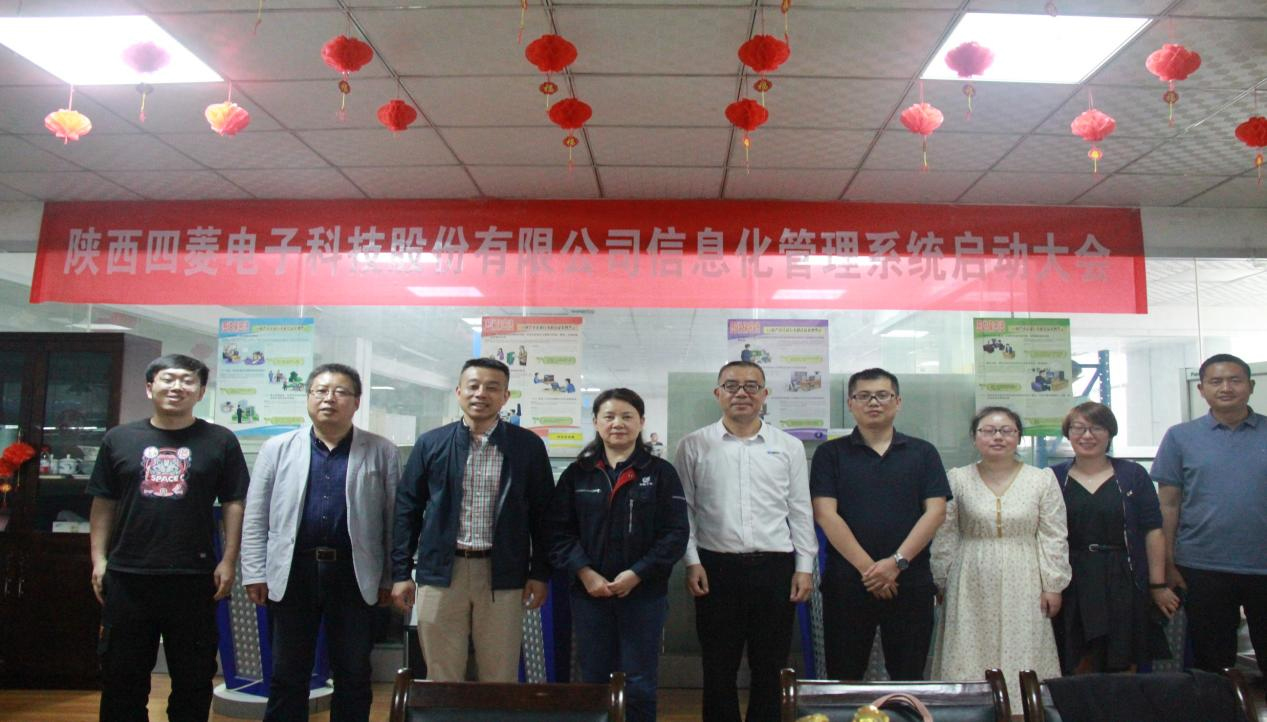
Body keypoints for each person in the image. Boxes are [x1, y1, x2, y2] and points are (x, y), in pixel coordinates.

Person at [87, 354, 250, 722]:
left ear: (201, 391)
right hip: (128, 575)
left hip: (194, 577)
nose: (177, 387)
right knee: (121, 678)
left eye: (188, 381)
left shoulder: (220, 440)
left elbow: (233, 503)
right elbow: (103, 502)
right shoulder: (119, 439)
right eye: (168, 379)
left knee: (193, 678)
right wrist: (99, 560)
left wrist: (228, 560)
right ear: (150, 388)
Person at [240, 363, 401, 721]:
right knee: (287, 672)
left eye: (340, 392)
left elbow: (393, 521)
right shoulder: (277, 448)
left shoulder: (382, 450)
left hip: (355, 573)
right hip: (293, 571)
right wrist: (254, 572)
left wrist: (390, 577)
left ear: (356, 402)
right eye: (321, 391)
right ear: (308, 397)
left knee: (354, 672)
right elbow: (256, 516)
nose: (329, 399)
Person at [390, 357, 554, 681]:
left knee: (500, 674)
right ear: (459, 392)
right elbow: (407, 509)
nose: (481, 394)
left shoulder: (527, 446)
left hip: (502, 573)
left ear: (505, 396)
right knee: (442, 673)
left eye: (492, 387)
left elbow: (544, 514)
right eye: (473, 386)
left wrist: (540, 572)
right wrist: (400, 572)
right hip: (441, 572)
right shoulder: (431, 443)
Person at [674, 361, 817, 722]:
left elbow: (800, 509)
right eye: (732, 385)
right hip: (715, 567)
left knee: (770, 664)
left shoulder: (788, 446)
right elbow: (683, 510)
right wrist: (692, 561)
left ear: (764, 394)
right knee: (717, 664)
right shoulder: (693, 445)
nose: (742, 393)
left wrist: (804, 566)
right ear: (718, 393)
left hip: (775, 567)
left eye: (751, 386)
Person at [546, 388, 689, 722]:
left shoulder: (661, 473)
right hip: (589, 595)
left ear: (641, 422)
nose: (618, 424)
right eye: (609, 416)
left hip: (644, 595)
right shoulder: (577, 475)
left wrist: (638, 573)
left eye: (627, 416)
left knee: (640, 682)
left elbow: (675, 533)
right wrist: (585, 573)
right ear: (596, 422)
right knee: (594, 680)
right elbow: (558, 532)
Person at [811, 368, 950, 680]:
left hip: (909, 582)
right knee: (844, 677)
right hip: (848, 583)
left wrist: (896, 563)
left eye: (882, 395)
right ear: (850, 403)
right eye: (863, 396)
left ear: (897, 401)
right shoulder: (830, 454)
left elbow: (936, 512)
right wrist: (871, 570)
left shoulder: (923, 453)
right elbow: (825, 514)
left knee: (908, 677)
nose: (873, 402)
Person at [932, 406, 1070, 702]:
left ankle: (1023, 711)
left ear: (1018, 437)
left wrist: (1053, 584)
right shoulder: (957, 479)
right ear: (974, 437)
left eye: (1006, 431)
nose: (998, 437)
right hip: (970, 574)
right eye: (989, 431)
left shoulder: (1041, 479)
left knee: (1024, 647)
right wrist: (942, 579)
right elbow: (946, 533)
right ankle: (969, 710)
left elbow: (1053, 535)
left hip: (1026, 574)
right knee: (969, 645)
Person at [1153, 353, 1267, 679]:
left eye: (1235, 380)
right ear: (1201, 389)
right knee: (1213, 662)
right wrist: (1168, 563)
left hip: (1263, 564)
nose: (1226, 388)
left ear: (1251, 386)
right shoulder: (1180, 437)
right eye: (1216, 381)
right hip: (1202, 565)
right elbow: (1168, 504)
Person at [1050, 402, 1179, 675]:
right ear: (1068, 433)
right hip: (1072, 578)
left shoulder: (1132, 475)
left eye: (1097, 428)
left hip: (1123, 576)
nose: (1087, 435)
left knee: (1122, 658)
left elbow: (1153, 530)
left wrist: (1157, 584)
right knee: (1075, 659)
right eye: (1078, 428)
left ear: (1110, 433)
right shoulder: (1054, 477)